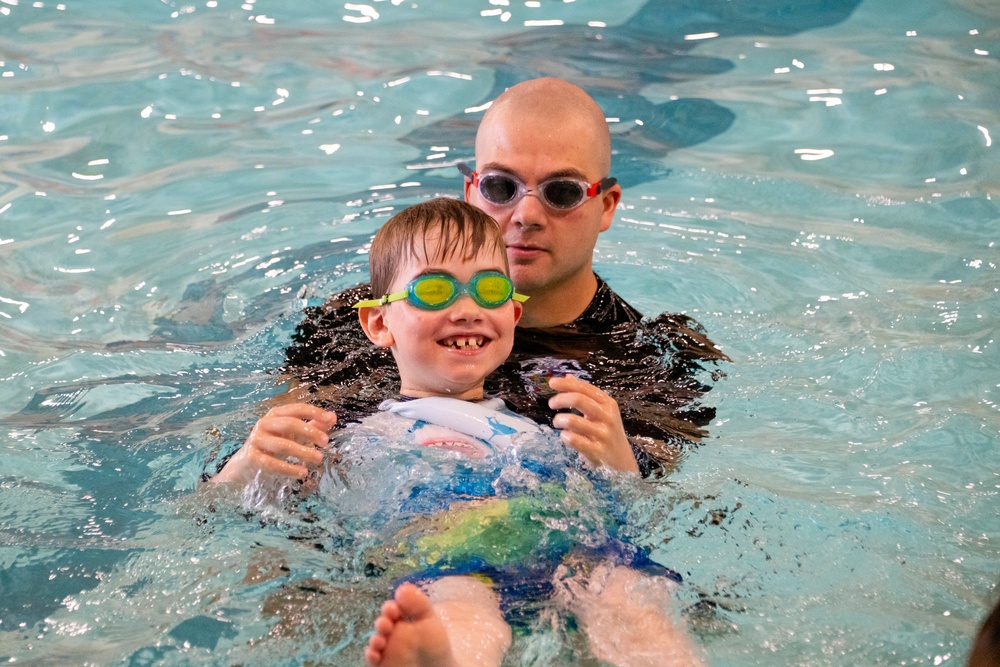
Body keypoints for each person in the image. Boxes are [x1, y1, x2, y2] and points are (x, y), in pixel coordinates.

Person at [212, 199, 704, 666]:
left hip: (563, 546)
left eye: (489, 289)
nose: (467, 308)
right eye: (434, 290)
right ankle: (438, 656)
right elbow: (226, 509)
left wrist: (618, 461)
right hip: (442, 552)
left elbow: (623, 507)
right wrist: (250, 462)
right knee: (462, 601)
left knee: (623, 589)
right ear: (379, 323)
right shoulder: (349, 430)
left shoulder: (544, 422)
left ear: (512, 314)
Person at [278, 77, 729, 479]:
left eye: (562, 192)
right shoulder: (351, 321)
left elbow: (668, 510)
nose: (527, 215)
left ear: (606, 206)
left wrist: (625, 469)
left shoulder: (653, 358)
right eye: (500, 187)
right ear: (471, 191)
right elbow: (273, 466)